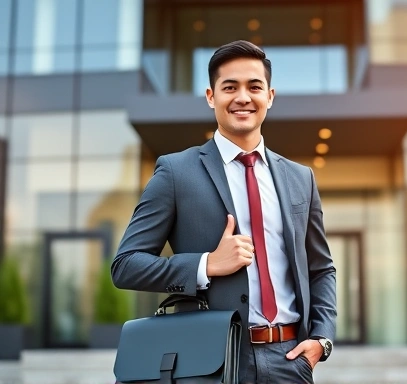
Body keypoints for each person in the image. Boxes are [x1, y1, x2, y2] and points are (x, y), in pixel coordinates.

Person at [112, 40, 336, 383]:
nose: (243, 97)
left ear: (270, 96)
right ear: (211, 96)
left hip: (290, 360)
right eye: (229, 87)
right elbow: (125, 265)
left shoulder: (300, 178)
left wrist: (321, 339)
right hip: (212, 361)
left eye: (254, 87)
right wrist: (206, 264)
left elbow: (321, 268)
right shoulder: (175, 172)